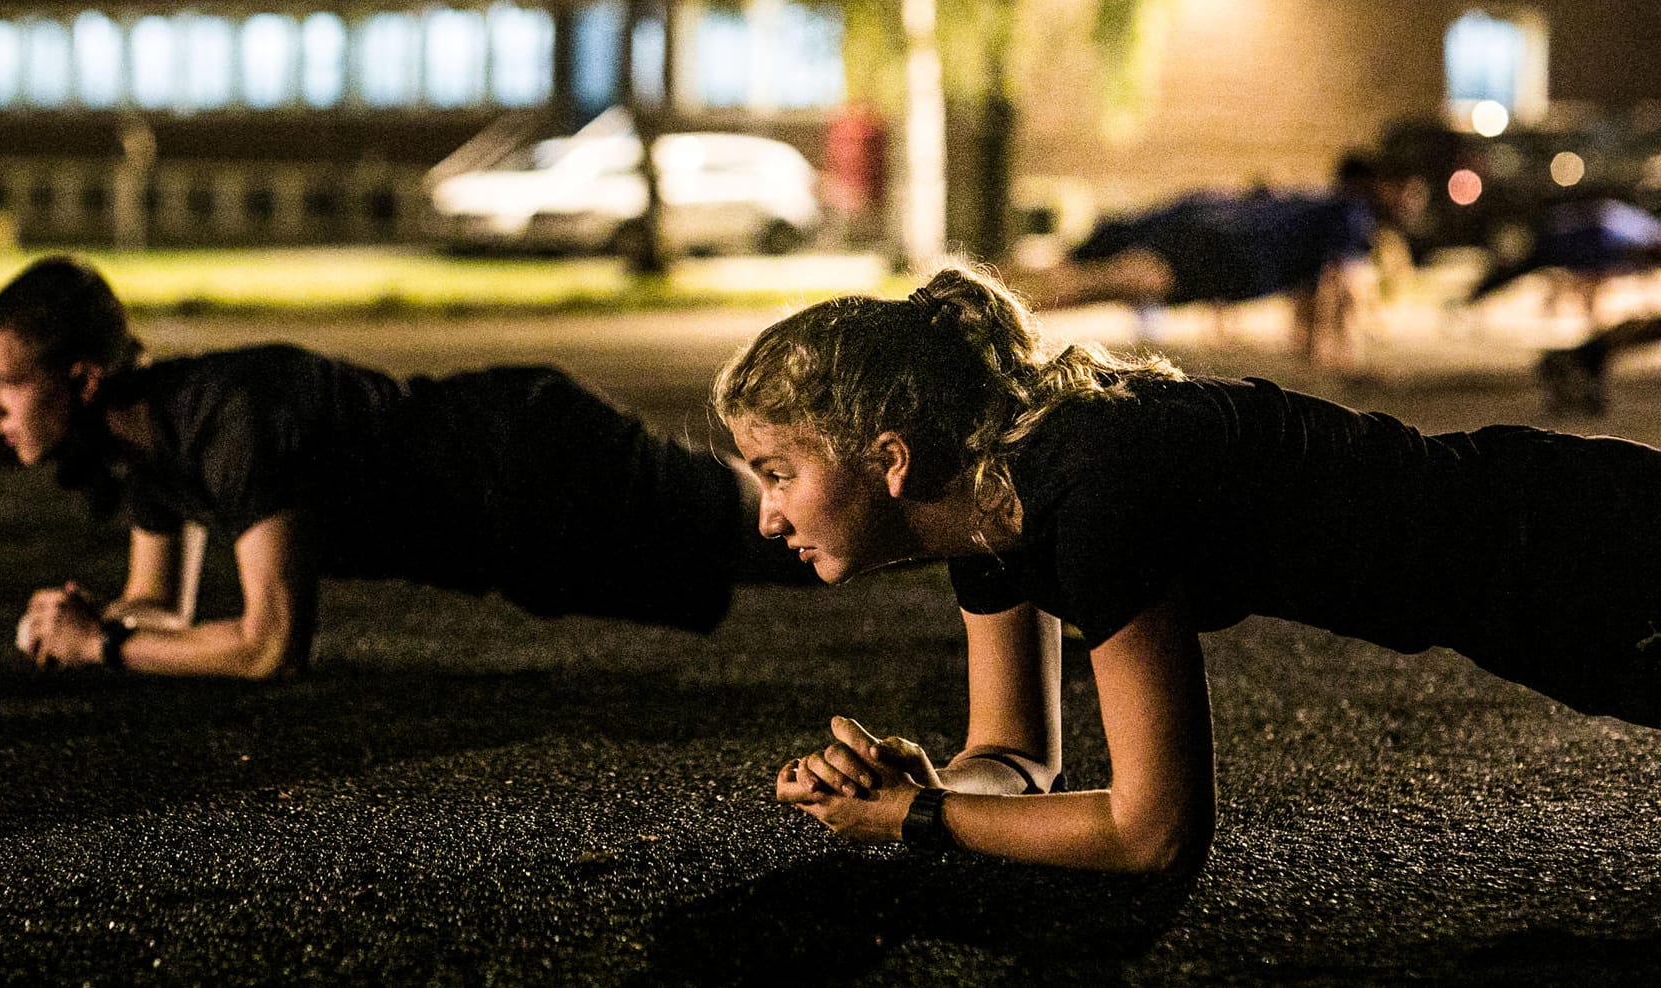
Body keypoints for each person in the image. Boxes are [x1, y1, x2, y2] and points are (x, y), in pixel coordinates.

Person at [712, 262, 1661, 872]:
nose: (766, 516)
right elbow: (1015, 761)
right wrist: (936, 789)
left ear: (890, 458)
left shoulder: (1088, 491)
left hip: (1600, 548)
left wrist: (917, 820)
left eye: (779, 473)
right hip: (1544, 594)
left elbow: (1152, 832)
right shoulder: (985, 506)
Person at [0, 255, 801, 679]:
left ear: (83, 380)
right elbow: (155, 605)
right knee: (772, 557)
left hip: (533, 462)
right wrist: (89, 622)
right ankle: (884, 516)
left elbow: (270, 650)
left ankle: (902, 503)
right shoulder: (148, 444)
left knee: (782, 534)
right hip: (502, 538)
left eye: (4, 385)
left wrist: (105, 649)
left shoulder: (229, 419)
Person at [1008, 155, 1423, 370]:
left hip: (1210, 228)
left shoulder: (1326, 205)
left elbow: (1311, 291)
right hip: (1219, 249)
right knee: (1101, 284)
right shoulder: (1353, 216)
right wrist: (1343, 357)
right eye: (1407, 195)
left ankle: (989, 292)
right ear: (1384, 185)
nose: (1411, 208)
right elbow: (1341, 285)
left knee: (1088, 274)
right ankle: (998, 311)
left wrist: (1314, 345)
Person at [1466, 198, 1661, 416]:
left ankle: (1582, 356)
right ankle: (1582, 357)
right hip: (1566, 239)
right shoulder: (1619, 237)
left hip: (1568, 237)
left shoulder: (1628, 232)